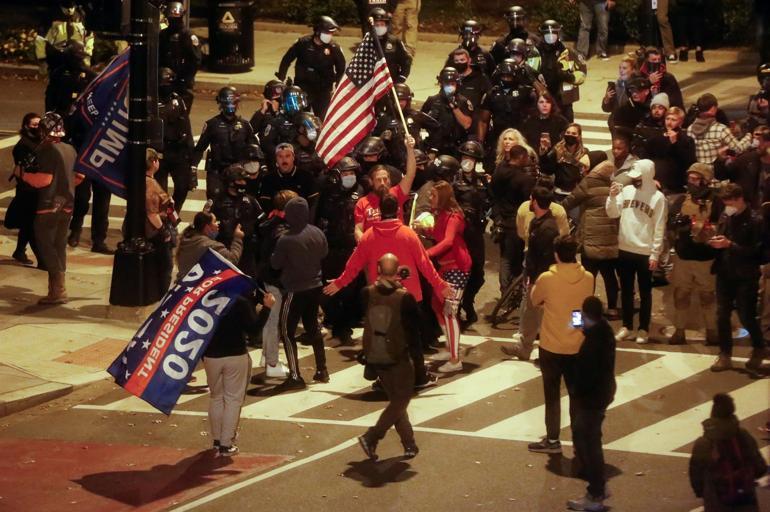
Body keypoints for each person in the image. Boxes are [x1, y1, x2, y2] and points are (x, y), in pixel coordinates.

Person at [325, 194, 452, 388]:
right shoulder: (408, 234)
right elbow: (425, 265)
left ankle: (383, 378)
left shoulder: (368, 236)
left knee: (381, 338)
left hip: (380, 296)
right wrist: (440, 285)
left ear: (379, 213)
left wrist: (339, 283)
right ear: (399, 211)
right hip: (409, 296)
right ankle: (419, 377)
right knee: (412, 341)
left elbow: (354, 265)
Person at [526, 235, 595, 454]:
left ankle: (553, 440)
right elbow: (582, 307)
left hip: (552, 345)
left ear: (556, 254)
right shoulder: (588, 278)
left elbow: (535, 300)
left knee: (552, 396)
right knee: (576, 396)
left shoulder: (547, 278)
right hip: (578, 344)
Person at [357, 253, 421, 461]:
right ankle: (372, 436)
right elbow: (416, 330)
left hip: (375, 355)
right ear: (397, 271)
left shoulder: (367, 293)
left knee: (396, 401)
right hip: (398, 356)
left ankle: (409, 444)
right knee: (401, 400)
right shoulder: (404, 298)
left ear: (377, 269)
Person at [204, 290, 275, 457]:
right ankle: (226, 444)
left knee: (216, 397)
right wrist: (267, 308)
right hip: (235, 355)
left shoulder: (204, 300)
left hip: (211, 356)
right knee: (233, 400)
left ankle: (216, 440)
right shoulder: (239, 301)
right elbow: (254, 330)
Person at [20, 112, 81, 304]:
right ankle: (57, 287)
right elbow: (80, 177)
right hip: (67, 204)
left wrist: (22, 174)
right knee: (59, 245)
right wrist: (65, 185)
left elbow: (43, 180)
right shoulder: (70, 149)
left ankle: (58, 289)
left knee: (45, 244)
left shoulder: (47, 151)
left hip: (48, 205)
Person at [606, 159, 668, 344]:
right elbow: (612, 213)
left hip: (645, 251)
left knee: (645, 292)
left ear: (648, 175)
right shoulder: (626, 191)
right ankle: (627, 326)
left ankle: (643, 328)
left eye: (638, 177)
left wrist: (655, 253)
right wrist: (611, 196)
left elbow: (659, 227)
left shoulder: (658, 198)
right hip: (625, 248)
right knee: (625, 291)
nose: (635, 180)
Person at [270, 197, 329, 391]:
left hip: (295, 289)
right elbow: (324, 253)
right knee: (313, 327)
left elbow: (275, 264)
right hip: (315, 286)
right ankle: (322, 369)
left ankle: (295, 375)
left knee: (287, 331)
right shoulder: (317, 233)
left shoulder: (286, 239)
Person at [499, 186, 563, 361]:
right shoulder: (538, 222)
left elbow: (546, 258)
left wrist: (536, 282)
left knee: (542, 316)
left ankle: (546, 351)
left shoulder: (548, 228)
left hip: (541, 280)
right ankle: (525, 347)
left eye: (530, 197)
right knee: (530, 313)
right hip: (533, 277)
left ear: (534, 201)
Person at [708, 184, 766, 372]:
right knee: (722, 314)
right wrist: (715, 240)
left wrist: (730, 245)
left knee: (746, 315)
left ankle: (758, 348)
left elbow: (759, 252)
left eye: (730, 201)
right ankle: (725, 354)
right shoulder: (726, 216)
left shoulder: (756, 220)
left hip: (745, 275)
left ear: (740, 198)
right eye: (725, 202)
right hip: (724, 272)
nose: (727, 206)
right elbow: (722, 236)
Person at [566, 296, 616, 512]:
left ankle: (596, 493)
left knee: (588, 441)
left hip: (592, 397)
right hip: (603, 391)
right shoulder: (603, 329)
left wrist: (576, 391)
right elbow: (582, 327)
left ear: (587, 316)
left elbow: (587, 375)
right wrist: (578, 319)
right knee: (584, 435)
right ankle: (598, 488)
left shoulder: (594, 343)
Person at [667, 163, 721, 346]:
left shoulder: (716, 200)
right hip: (684, 256)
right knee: (681, 294)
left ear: (705, 181)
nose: (691, 182)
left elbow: (721, 225)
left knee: (708, 296)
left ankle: (712, 332)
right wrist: (677, 224)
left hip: (705, 257)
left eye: (695, 179)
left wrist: (705, 229)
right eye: (689, 178)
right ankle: (679, 331)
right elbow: (671, 223)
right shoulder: (682, 198)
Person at [420, 181, 471, 373]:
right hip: (446, 267)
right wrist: (425, 230)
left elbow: (448, 241)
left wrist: (426, 254)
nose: (430, 198)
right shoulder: (441, 215)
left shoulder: (454, 216)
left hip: (457, 268)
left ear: (442, 197)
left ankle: (455, 359)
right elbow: (439, 234)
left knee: (449, 311)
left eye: (433, 195)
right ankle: (450, 347)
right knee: (437, 304)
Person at [688, 393, 767, 511]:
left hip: (717, 499)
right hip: (745, 497)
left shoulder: (704, 443)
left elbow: (696, 473)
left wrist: (702, 492)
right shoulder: (743, 436)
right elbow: (759, 467)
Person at [317, 158, 366, 345]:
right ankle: (336, 324)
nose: (350, 177)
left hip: (352, 249)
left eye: (352, 173)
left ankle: (344, 328)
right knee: (329, 289)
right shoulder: (328, 192)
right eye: (346, 173)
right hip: (331, 248)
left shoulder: (361, 192)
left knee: (350, 290)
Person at [562, 161, 621, 318]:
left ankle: (584, 312)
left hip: (591, 237)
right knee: (609, 275)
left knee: (588, 276)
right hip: (609, 236)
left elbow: (569, 202)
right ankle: (613, 308)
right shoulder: (614, 185)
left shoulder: (588, 183)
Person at [255, 190, 296, 378]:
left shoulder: (271, 223)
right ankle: (272, 363)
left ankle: (266, 355)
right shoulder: (283, 231)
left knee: (269, 319)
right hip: (276, 281)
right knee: (274, 322)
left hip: (266, 277)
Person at [192, 86, 258, 200]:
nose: (232, 106)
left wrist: (257, 167)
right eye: (229, 102)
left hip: (239, 172)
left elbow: (254, 148)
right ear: (221, 104)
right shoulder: (212, 124)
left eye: (234, 102)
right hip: (217, 173)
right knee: (214, 204)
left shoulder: (245, 125)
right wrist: (192, 171)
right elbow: (199, 149)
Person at [276, 16, 346, 120]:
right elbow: (286, 60)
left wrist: (336, 84)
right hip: (303, 88)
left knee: (323, 120)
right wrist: (282, 77)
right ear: (318, 31)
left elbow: (341, 67)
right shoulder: (302, 43)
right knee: (298, 118)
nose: (330, 36)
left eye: (331, 33)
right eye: (327, 33)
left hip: (323, 91)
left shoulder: (334, 48)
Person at [453, 141, 491, 325]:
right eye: (465, 157)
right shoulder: (453, 179)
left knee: (478, 273)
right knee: (460, 271)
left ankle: (468, 301)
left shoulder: (482, 180)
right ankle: (457, 305)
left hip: (476, 232)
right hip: (459, 233)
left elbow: (490, 200)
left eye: (472, 158)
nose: (468, 161)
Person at [491, 144, 536, 291]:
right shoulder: (524, 179)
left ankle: (504, 289)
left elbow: (493, 194)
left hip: (500, 219)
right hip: (516, 223)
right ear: (522, 157)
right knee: (515, 259)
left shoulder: (499, 171)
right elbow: (529, 203)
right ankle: (512, 291)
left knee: (505, 257)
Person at [354, 136, 417, 240]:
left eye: (385, 179)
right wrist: (366, 245)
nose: (383, 183)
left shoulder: (397, 193)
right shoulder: (362, 203)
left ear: (389, 180)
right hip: (375, 249)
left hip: (397, 247)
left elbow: (410, 174)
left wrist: (410, 149)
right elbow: (358, 230)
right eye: (378, 180)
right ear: (371, 182)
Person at [156, 67, 195, 212]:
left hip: (178, 151)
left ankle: (174, 213)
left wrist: (191, 159)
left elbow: (186, 127)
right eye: (164, 84)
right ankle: (162, 221)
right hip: (160, 153)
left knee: (182, 187)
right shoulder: (151, 103)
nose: (167, 87)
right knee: (161, 192)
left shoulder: (178, 100)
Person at [536, 19, 586, 122]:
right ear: (542, 35)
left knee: (567, 126)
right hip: (542, 98)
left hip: (563, 100)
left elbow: (582, 72)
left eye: (554, 33)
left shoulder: (568, 53)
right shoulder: (535, 53)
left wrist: (568, 76)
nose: (551, 36)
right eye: (547, 34)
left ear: (558, 34)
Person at [9, 113, 42, 266]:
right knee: (31, 223)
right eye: (34, 124)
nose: (37, 127)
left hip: (36, 188)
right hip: (27, 189)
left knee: (28, 224)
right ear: (26, 126)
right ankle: (42, 260)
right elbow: (24, 169)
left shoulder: (39, 142)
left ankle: (20, 250)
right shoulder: (23, 146)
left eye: (39, 124)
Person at [176, 211, 244, 281]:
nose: (218, 224)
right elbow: (232, 259)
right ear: (207, 227)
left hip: (185, 284)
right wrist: (237, 238)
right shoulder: (210, 245)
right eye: (214, 222)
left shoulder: (186, 240)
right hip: (199, 286)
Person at [421, 67, 473, 157]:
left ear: (457, 84)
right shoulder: (432, 100)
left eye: (452, 84)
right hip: (435, 147)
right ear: (441, 83)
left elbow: (467, 124)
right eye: (447, 84)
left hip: (456, 148)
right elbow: (421, 123)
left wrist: (454, 107)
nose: (450, 87)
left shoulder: (464, 102)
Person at [158, 1, 201, 111]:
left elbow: (195, 60)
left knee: (181, 114)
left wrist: (183, 78)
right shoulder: (163, 34)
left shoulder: (188, 36)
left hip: (182, 84)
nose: (174, 22)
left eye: (176, 19)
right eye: (172, 19)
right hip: (165, 82)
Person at [687, 93, 752, 165]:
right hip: (714, 172)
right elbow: (738, 149)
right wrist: (749, 136)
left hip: (697, 171)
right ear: (713, 109)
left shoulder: (690, 129)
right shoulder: (720, 129)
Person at [143, 149, 175, 294]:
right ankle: (161, 296)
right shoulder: (149, 184)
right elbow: (152, 213)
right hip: (155, 231)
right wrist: (164, 232)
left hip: (155, 228)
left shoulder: (148, 180)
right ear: (154, 162)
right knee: (165, 266)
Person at [645, 106, 696, 195]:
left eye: (673, 120)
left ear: (681, 122)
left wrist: (674, 143)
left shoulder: (687, 140)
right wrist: (651, 178)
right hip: (657, 183)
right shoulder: (655, 138)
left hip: (677, 185)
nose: (669, 122)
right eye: (667, 118)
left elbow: (690, 162)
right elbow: (647, 159)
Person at [257, 143, 320, 214]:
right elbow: (265, 203)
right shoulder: (268, 179)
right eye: (280, 156)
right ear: (276, 159)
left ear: (293, 157)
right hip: (277, 220)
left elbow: (314, 203)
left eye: (287, 156)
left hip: (301, 218)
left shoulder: (307, 177)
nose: (284, 160)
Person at [35, 0, 94, 74]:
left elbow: (89, 37)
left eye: (72, 7)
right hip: (57, 57)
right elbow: (41, 38)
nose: (69, 10)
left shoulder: (81, 15)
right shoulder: (51, 16)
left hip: (77, 57)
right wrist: (42, 60)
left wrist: (87, 56)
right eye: (66, 8)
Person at [370, 7, 412, 83]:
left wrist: (401, 78)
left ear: (386, 25)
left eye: (382, 24)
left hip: (391, 83)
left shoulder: (395, 42)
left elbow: (406, 61)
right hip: (372, 84)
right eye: (377, 25)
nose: (380, 27)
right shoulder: (367, 42)